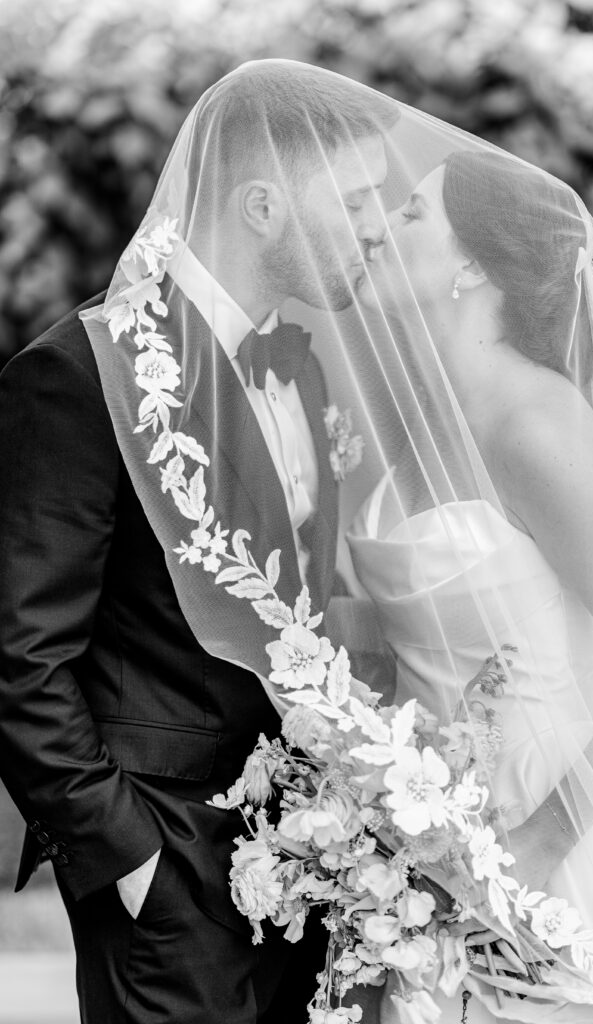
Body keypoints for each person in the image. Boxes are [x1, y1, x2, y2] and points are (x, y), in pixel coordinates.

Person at [0, 60, 396, 1024]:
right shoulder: (77, 376)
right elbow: (20, 654)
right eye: (355, 204)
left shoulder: (301, 369)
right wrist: (128, 860)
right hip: (167, 872)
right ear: (262, 204)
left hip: (316, 866)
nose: (377, 228)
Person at [343, 144, 593, 1019]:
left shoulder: (539, 427)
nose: (377, 229)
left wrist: (538, 844)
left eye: (411, 212)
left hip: (557, 825)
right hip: (426, 845)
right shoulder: (421, 423)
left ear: (470, 264)